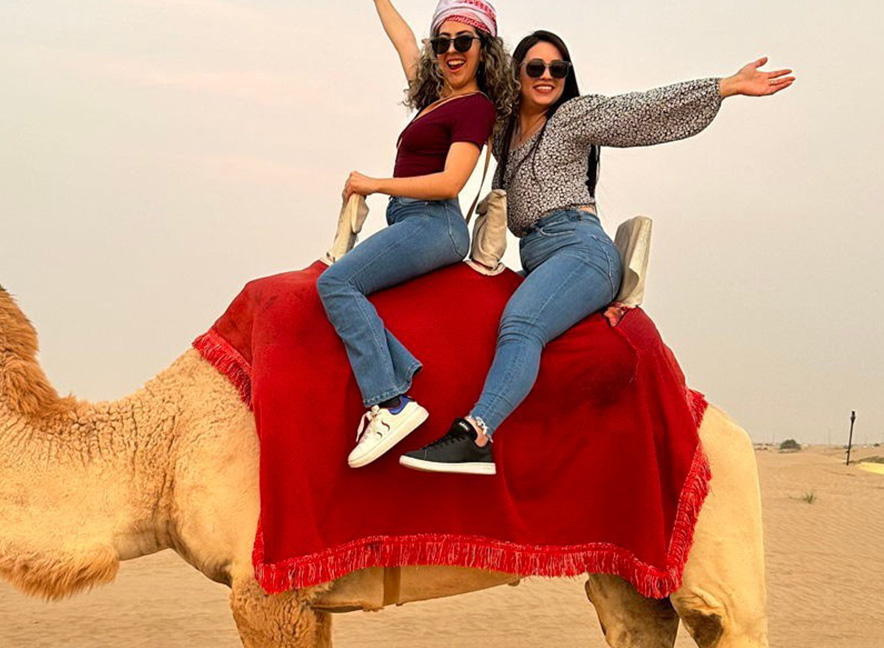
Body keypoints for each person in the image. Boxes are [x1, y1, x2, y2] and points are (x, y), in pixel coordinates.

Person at [399, 30, 794, 474]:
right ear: (516, 75)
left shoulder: (573, 116)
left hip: (580, 248)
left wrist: (725, 86)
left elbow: (641, 109)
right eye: (535, 68)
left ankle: (477, 433)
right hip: (538, 256)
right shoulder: (502, 129)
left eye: (558, 69)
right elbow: (435, 77)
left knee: (521, 323)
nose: (547, 76)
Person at [318, 0, 517, 468]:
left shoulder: (475, 107)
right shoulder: (434, 98)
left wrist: (374, 183)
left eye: (463, 41)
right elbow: (404, 39)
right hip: (410, 219)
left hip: (434, 221)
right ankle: (399, 380)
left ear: (484, 49)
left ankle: (390, 403)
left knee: (336, 284)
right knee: (341, 284)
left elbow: (450, 182)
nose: (452, 51)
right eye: (442, 42)